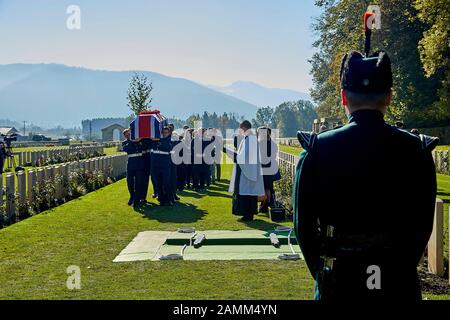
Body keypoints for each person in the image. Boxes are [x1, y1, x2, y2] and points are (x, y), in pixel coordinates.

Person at [293, 50, 438, 301]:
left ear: (343, 97)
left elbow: (303, 227)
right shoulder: (417, 150)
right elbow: (422, 226)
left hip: (340, 276)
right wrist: (400, 267)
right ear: (389, 97)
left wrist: (322, 271)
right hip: (397, 278)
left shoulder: (318, 150)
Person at [225, 120, 265, 222]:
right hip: (247, 170)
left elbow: (242, 157)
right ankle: (247, 215)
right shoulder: (248, 138)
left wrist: (227, 150)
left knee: (247, 193)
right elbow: (241, 155)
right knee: (248, 193)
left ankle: (248, 215)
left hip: (248, 171)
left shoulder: (250, 139)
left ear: (243, 127)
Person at [257, 126, 279, 213]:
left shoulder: (261, 143)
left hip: (264, 168)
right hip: (270, 167)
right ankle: (269, 205)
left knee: (265, 188)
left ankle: (264, 206)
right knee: (269, 187)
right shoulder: (272, 143)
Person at [151, 127, 174, 206]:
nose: (164, 134)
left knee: (166, 182)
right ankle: (161, 199)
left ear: (169, 133)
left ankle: (170, 199)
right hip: (156, 164)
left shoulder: (170, 140)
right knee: (158, 183)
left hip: (165, 165)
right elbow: (151, 146)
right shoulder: (156, 140)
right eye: (163, 132)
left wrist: (159, 141)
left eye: (166, 132)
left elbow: (167, 147)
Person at [121, 128, 144, 208]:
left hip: (140, 163)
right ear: (125, 136)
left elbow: (143, 147)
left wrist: (137, 140)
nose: (128, 136)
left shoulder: (139, 140)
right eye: (126, 135)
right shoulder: (124, 143)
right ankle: (132, 196)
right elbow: (127, 149)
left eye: (129, 134)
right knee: (129, 181)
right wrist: (131, 140)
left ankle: (137, 199)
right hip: (131, 163)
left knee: (138, 182)